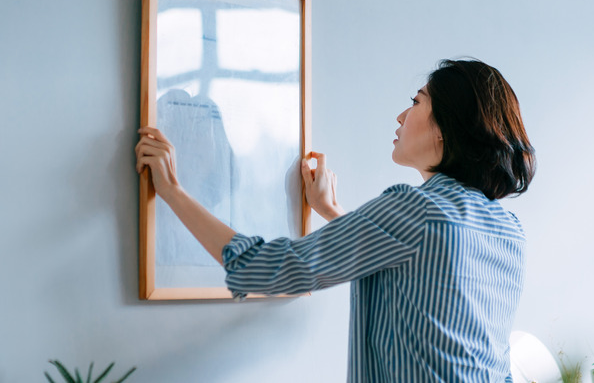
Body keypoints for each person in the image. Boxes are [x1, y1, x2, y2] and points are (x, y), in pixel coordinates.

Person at [135, 59, 536, 382]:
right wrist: (331, 212)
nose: (400, 115)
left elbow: (266, 268)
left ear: (446, 129)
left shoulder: (415, 212)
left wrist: (172, 189)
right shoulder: (506, 228)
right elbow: (415, 271)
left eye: (416, 102)